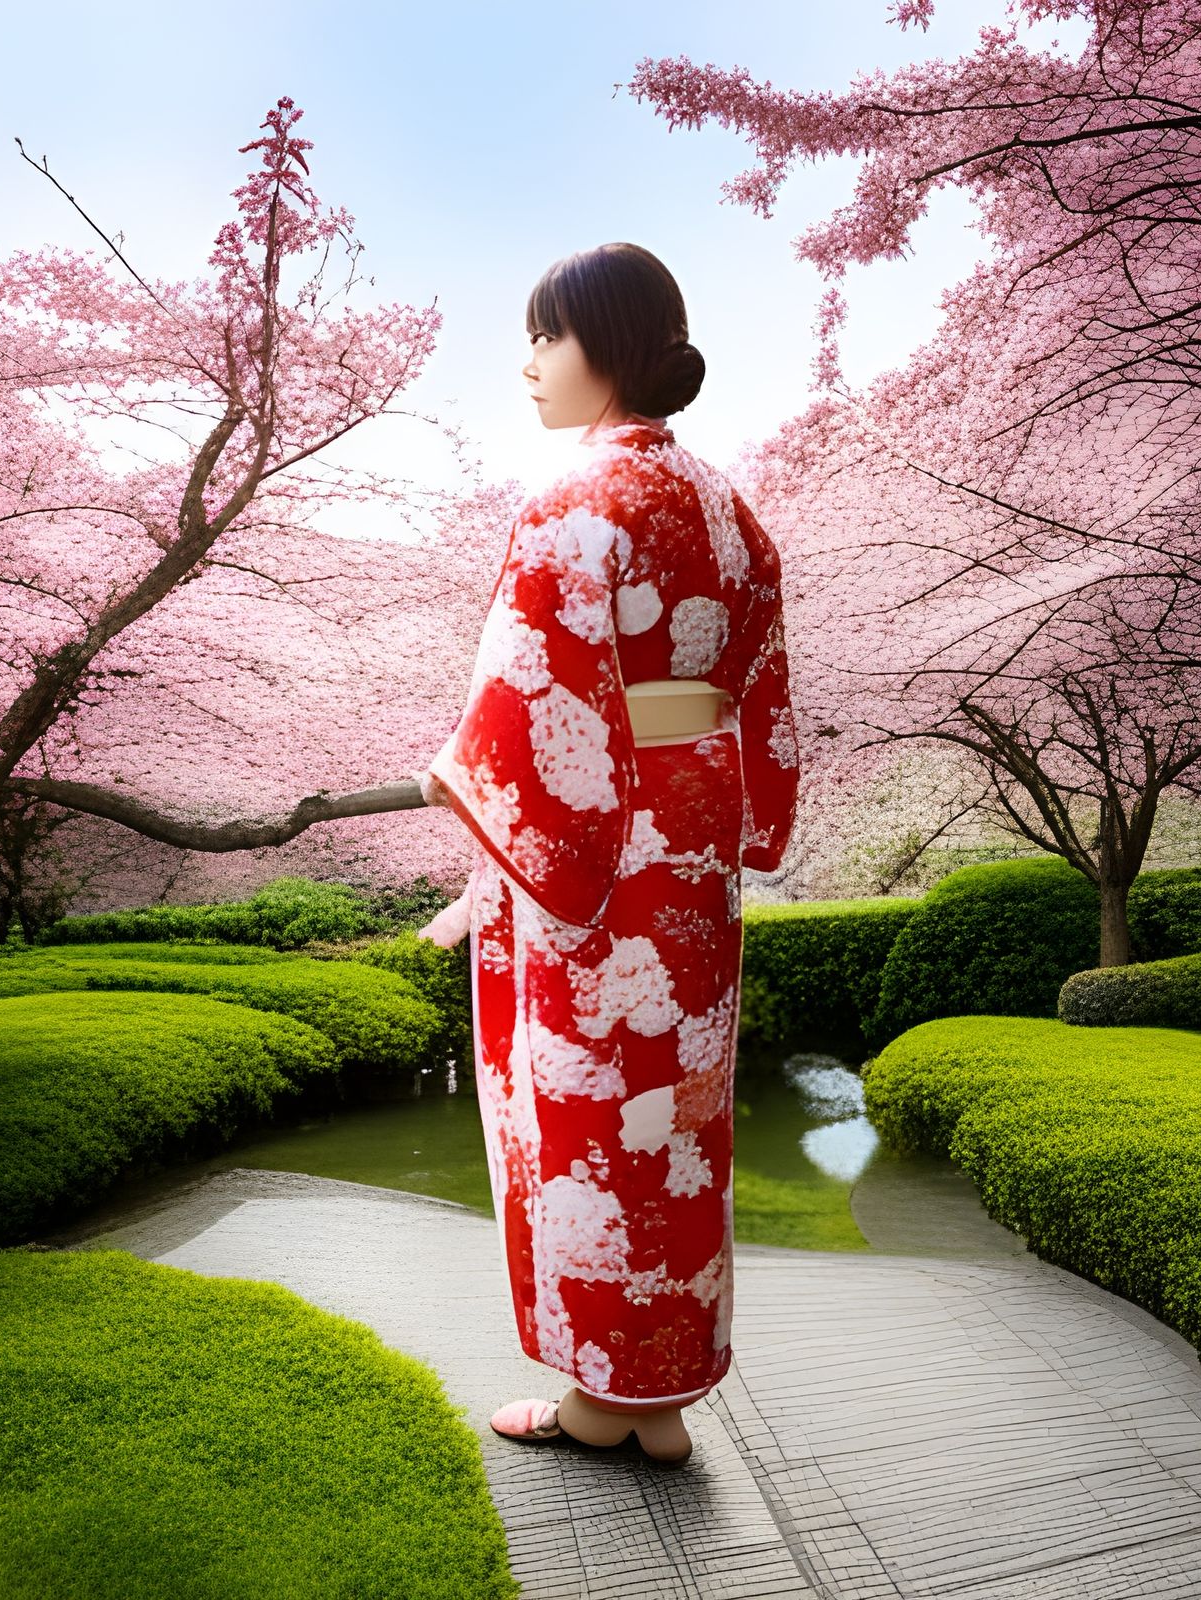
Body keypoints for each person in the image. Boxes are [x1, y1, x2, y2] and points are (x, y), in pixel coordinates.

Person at [411, 242, 799, 1467]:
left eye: (548, 336)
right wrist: (741, 812)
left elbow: (532, 695)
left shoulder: (575, 498)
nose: (528, 362)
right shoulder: (726, 506)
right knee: (677, 1119)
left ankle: (596, 1399)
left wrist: (469, 783)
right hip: (691, 834)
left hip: (601, 837)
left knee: (587, 1113)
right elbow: (759, 683)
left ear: (612, 346)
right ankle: (661, 1403)